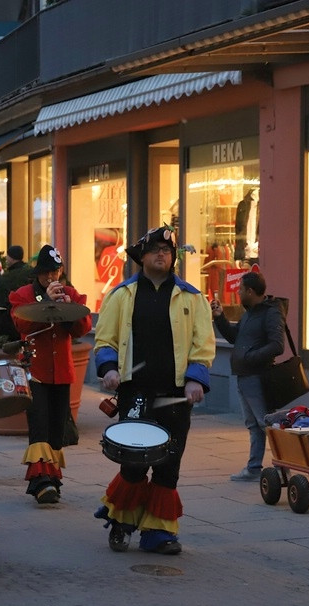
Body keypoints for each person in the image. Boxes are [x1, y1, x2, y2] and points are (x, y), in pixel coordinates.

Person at [93, 226, 216, 555]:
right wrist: (108, 370)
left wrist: (195, 379)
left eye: (167, 250)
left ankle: (158, 534)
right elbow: (104, 340)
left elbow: (202, 345)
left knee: (168, 463)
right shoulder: (121, 295)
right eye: (155, 249)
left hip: (175, 395)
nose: (162, 254)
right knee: (133, 462)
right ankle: (121, 521)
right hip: (135, 393)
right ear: (141, 257)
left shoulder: (193, 297)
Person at [9, 244, 92, 505]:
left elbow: (82, 328)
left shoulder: (71, 293)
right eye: (46, 273)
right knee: (40, 425)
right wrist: (45, 301)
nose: (51, 278)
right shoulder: (23, 294)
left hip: (62, 371)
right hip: (36, 369)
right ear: (38, 274)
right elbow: (21, 323)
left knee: (57, 428)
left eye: (55, 272)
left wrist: (68, 307)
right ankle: (39, 480)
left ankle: (52, 478)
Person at [211, 272, 285, 482]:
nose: (238, 292)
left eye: (241, 289)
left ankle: (283, 467)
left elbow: (277, 345)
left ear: (251, 292)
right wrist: (220, 317)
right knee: (254, 425)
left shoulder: (270, 312)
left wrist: (250, 357)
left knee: (266, 424)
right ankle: (254, 468)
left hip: (258, 377)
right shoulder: (250, 313)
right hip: (244, 376)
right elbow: (236, 337)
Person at [0, 244, 31, 342]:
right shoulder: (33, 274)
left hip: (10, 331)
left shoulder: (5, 280)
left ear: (10, 257)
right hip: (35, 328)